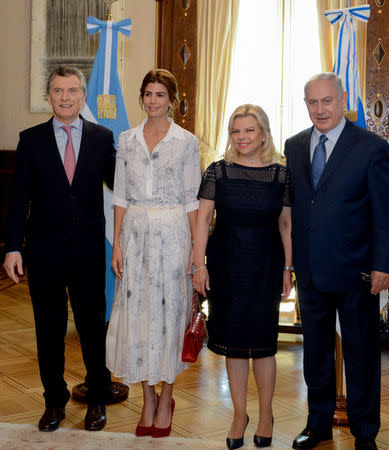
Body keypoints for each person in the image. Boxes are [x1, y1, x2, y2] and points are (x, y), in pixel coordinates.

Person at [284, 73, 389, 450]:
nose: (320, 109)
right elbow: (299, 207)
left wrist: (385, 265)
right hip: (311, 270)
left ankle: (365, 432)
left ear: (343, 98)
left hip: (357, 270)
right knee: (315, 352)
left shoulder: (371, 147)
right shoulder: (294, 145)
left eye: (327, 101)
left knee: (361, 352)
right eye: (312, 102)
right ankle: (317, 423)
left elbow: (386, 213)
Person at [3, 66, 116, 431]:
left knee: (91, 327)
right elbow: (18, 199)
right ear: (48, 96)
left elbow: (123, 187)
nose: (65, 97)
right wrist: (12, 247)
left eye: (71, 90)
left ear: (83, 96)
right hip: (43, 250)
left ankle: (97, 397)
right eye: (57, 90)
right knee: (47, 328)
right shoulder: (31, 139)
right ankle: (54, 401)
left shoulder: (102, 137)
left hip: (87, 250)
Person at [106, 69, 201, 438]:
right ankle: (146, 398)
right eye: (148, 93)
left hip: (174, 234)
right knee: (138, 318)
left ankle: (167, 397)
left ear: (171, 99)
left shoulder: (186, 142)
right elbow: (118, 197)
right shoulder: (126, 140)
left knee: (169, 318)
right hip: (135, 236)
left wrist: (197, 251)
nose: (153, 101)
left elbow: (193, 199)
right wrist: (117, 243)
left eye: (160, 94)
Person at [193, 104, 293, 449]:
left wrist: (287, 269)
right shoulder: (217, 172)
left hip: (266, 265)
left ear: (263, 133)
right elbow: (203, 220)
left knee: (264, 346)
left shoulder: (280, 175)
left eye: (249, 130)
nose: (242, 137)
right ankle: (240, 415)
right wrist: (198, 264)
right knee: (234, 345)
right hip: (225, 265)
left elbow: (286, 224)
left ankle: (265, 415)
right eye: (236, 131)